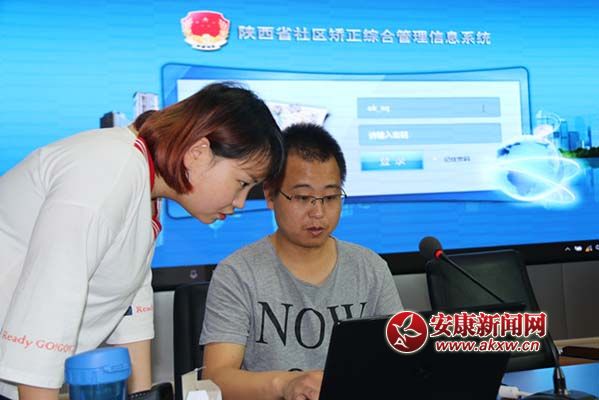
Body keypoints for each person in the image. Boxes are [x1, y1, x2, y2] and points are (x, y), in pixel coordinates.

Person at [0, 82, 283, 400]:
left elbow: (131, 306)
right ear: (198, 153)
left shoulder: (144, 187)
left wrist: (143, 396)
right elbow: (48, 307)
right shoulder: (107, 173)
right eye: (242, 183)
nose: (240, 202)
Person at [200, 123, 402, 400]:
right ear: (270, 194)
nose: (318, 212)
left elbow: (397, 362)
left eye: (330, 197)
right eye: (303, 197)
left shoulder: (370, 269)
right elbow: (216, 379)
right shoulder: (237, 274)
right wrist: (286, 385)